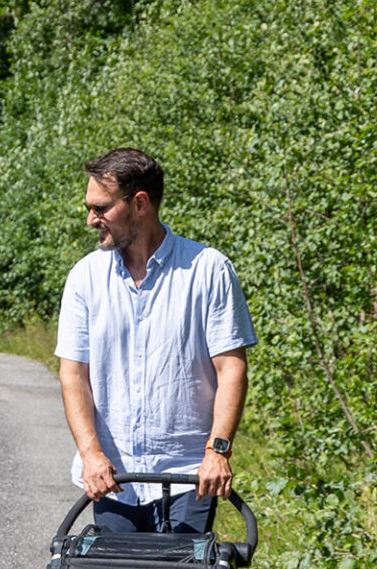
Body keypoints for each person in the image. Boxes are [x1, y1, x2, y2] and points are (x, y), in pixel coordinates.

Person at [56, 148, 255, 533]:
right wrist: (91, 454)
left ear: (140, 203)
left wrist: (218, 452)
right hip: (114, 477)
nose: (90, 219)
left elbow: (231, 368)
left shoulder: (208, 269)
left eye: (100, 208)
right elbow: (73, 374)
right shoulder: (85, 278)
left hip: (188, 477)